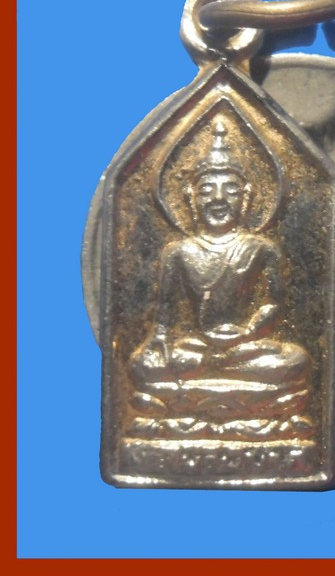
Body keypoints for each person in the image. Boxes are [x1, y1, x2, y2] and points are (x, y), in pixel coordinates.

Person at [128, 118, 312, 440]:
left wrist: (246, 333)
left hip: (245, 349)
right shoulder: (179, 252)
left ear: (247, 197)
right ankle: (257, 410)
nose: (218, 199)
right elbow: (165, 315)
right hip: (196, 347)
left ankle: (182, 409)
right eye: (207, 190)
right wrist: (161, 340)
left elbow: (273, 303)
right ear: (191, 197)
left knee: (295, 361)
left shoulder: (261, 249)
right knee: (142, 365)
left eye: (230, 189)